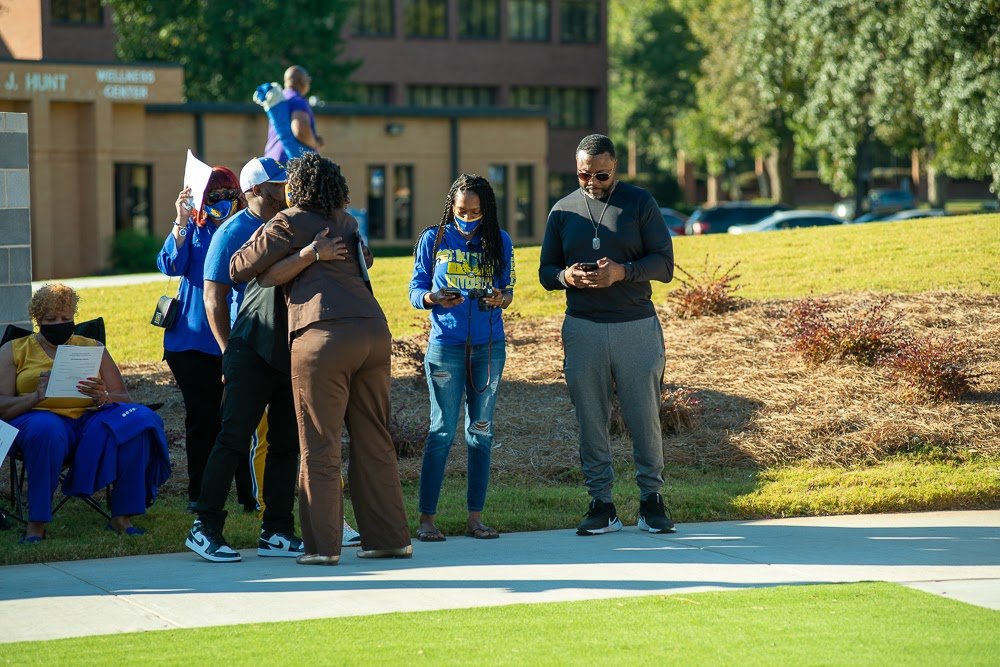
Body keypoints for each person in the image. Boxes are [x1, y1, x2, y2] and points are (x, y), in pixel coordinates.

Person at [231, 152, 411, 565]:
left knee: (319, 444)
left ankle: (322, 548)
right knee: (374, 439)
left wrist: (288, 261)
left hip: (323, 338)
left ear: (297, 187)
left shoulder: (288, 221)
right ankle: (389, 539)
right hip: (373, 333)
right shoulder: (347, 222)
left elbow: (239, 267)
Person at [538, 134, 676, 536]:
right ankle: (601, 504)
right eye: (584, 175)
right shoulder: (563, 211)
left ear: (615, 167)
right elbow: (546, 272)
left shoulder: (639, 203)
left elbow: (664, 264)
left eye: (601, 174)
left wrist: (623, 272)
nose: (592, 183)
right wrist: (568, 276)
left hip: (635, 325)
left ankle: (651, 501)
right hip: (583, 328)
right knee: (591, 420)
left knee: (644, 417)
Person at [0, 284, 171, 542]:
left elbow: (123, 398)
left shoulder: (92, 347)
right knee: (47, 429)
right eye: (51, 319)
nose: (60, 323)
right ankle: (37, 522)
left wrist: (103, 397)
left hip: (89, 421)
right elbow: (2, 405)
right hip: (36, 419)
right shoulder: (14, 349)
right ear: (37, 320)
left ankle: (121, 516)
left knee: (138, 421)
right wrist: (35, 397)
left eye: (66, 318)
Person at [408, 174, 515, 542]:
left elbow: (509, 289)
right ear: (450, 208)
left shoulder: (499, 241)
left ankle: (475, 518)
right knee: (441, 430)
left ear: (486, 210)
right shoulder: (433, 238)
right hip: (446, 346)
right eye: (460, 211)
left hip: (488, 346)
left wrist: (500, 298)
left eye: (474, 212)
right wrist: (433, 298)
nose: (466, 217)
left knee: (480, 431)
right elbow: (414, 288)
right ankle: (426, 520)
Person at [157, 166, 255, 514]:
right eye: (214, 197)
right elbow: (169, 264)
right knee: (203, 419)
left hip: (237, 337)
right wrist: (181, 221)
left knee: (238, 417)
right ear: (202, 199)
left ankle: (248, 496)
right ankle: (199, 495)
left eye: (230, 196)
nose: (223, 203)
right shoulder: (195, 230)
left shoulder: (246, 227)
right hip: (191, 342)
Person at [263, 66, 323, 162]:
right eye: (308, 79)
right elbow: (300, 131)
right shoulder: (297, 100)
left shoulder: (280, 100)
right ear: (302, 81)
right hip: (290, 163)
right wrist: (315, 143)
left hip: (271, 159)